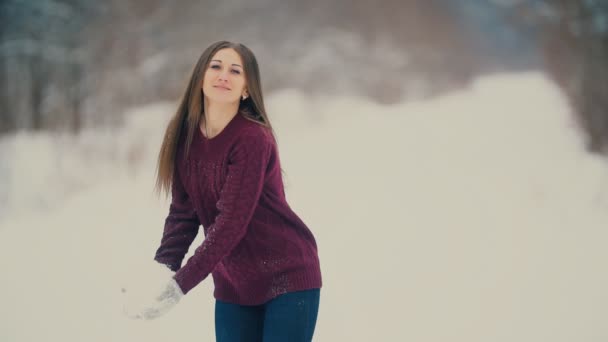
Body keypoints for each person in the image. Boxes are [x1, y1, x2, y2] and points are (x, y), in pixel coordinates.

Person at [130, 41, 323, 342]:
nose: (224, 75)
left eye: (235, 71)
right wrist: (159, 273)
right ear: (200, 78)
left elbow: (231, 224)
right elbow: (183, 215)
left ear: (246, 89)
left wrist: (179, 285)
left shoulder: (252, 138)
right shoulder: (184, 137)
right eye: (216, 66)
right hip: (234, 284)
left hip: (287, 275)